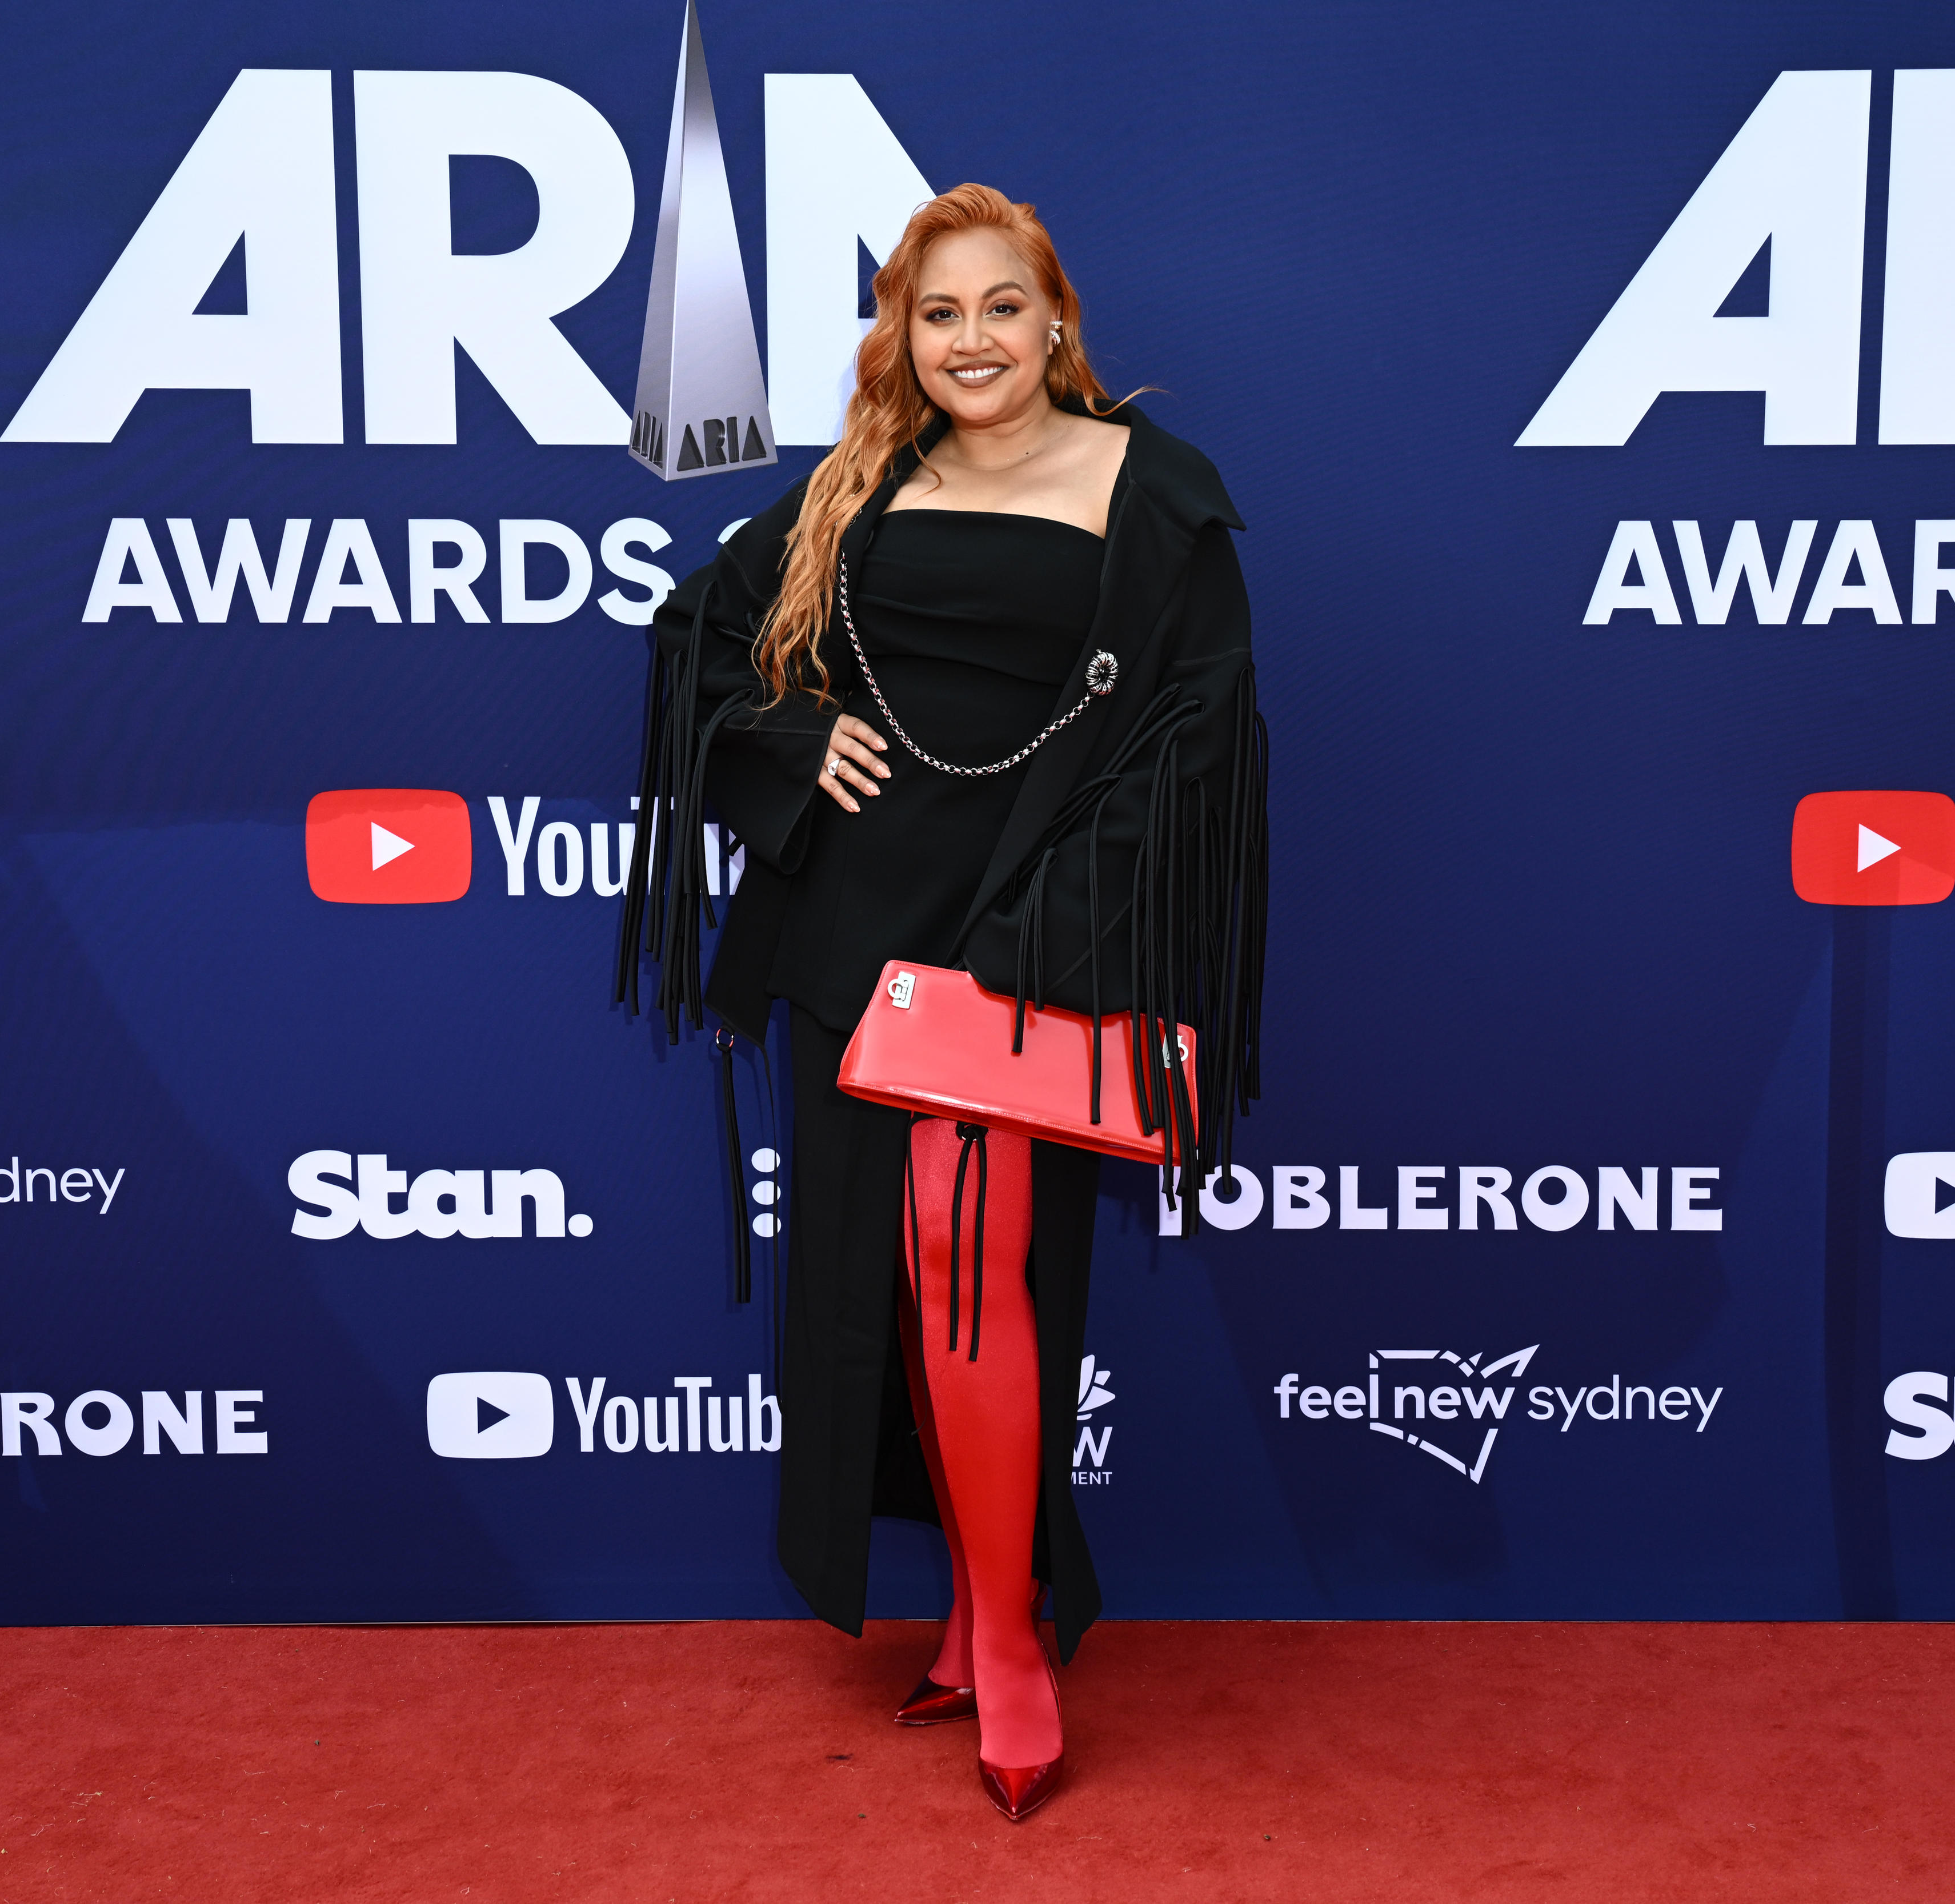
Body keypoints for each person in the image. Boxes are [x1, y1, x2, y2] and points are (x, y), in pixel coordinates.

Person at [618, 184, 1265, 1823]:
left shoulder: (1157, 493)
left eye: (1000, 306)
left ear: (1057, 320)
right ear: (902, 340)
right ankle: (989, 1614)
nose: (971, 338)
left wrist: (1053, 924)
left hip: (1033, 933)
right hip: (862, 932)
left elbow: (1201, 740)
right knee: (895, 1282)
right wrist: (784, 745)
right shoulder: (864, 485)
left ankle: (1015, 1636)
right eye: (937, 314)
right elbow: (695, 638)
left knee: (967, 1257)